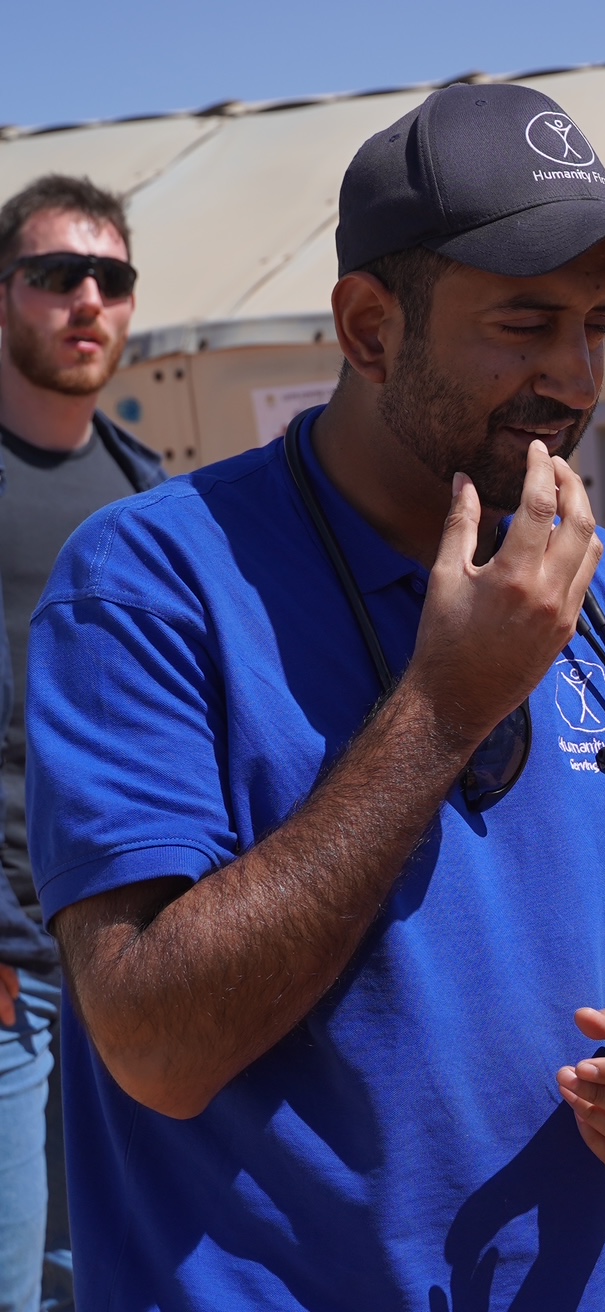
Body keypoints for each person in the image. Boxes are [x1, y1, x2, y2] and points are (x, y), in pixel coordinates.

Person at [27, 84, 605, 1310]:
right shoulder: (150, 582)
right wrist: (443, 705)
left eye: (599, 326)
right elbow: (154, 1045)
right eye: (525, 324)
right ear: (370, 328)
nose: (575, 379)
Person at [0, 173, 163, 1312]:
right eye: (58, 275)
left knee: (90, 1271)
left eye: (110, 278)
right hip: (3, 960)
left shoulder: (146, 499)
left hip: (114, 955)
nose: (87, 300)